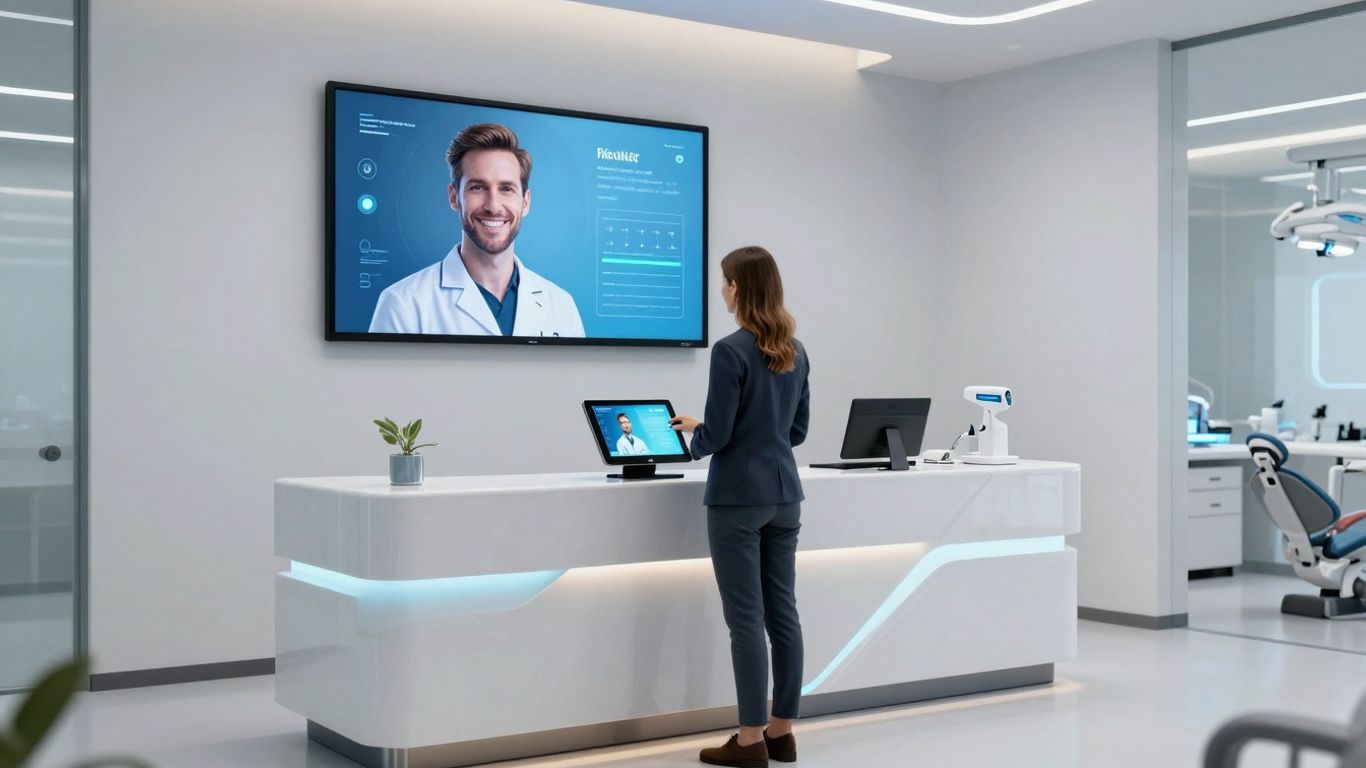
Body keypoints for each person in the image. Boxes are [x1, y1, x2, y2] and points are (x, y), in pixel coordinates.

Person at [671, 246, 810, 768]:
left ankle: (749, 741)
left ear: (741, 288)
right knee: (784, 616)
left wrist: (694, 439)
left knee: (746, 622)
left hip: (736, 502)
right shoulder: (795, 350)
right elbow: (795, 431)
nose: (721, 289)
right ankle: (781, 734)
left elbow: (721, 433)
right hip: (785, 497)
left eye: (725, 281)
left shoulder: (730, 351)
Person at [369, 123, 585, 337]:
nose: (493, 206)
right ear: (454, 197)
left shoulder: (561, 306)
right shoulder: (403, 304)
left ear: (525, 202)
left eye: (506, 189)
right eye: (478, 187)